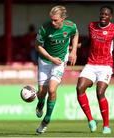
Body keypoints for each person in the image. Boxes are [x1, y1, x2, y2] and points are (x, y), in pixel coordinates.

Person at [76, 6, 114, 134]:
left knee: (100, 92)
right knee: (79, 88)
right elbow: (89, 40)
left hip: (105, 66)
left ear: (111, 17)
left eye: (106, 14)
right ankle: (91, 120)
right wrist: (77, 46)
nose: (103, 16)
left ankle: (106, 126)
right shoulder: (92, 26)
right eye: (102, 14)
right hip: (91, 64)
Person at [35, 5, 79, 134]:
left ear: (63, 19)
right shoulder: (44, 28)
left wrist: (74, 50)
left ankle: (46, 120)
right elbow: (37, 45)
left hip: (59, 61)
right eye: (51, 20)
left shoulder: (71, 26)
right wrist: (50, 57)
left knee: (52, 89)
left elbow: (75, 34)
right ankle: (40, 103)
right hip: (45, 60)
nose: (52, 22)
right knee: (42, 93)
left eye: (55, 20)